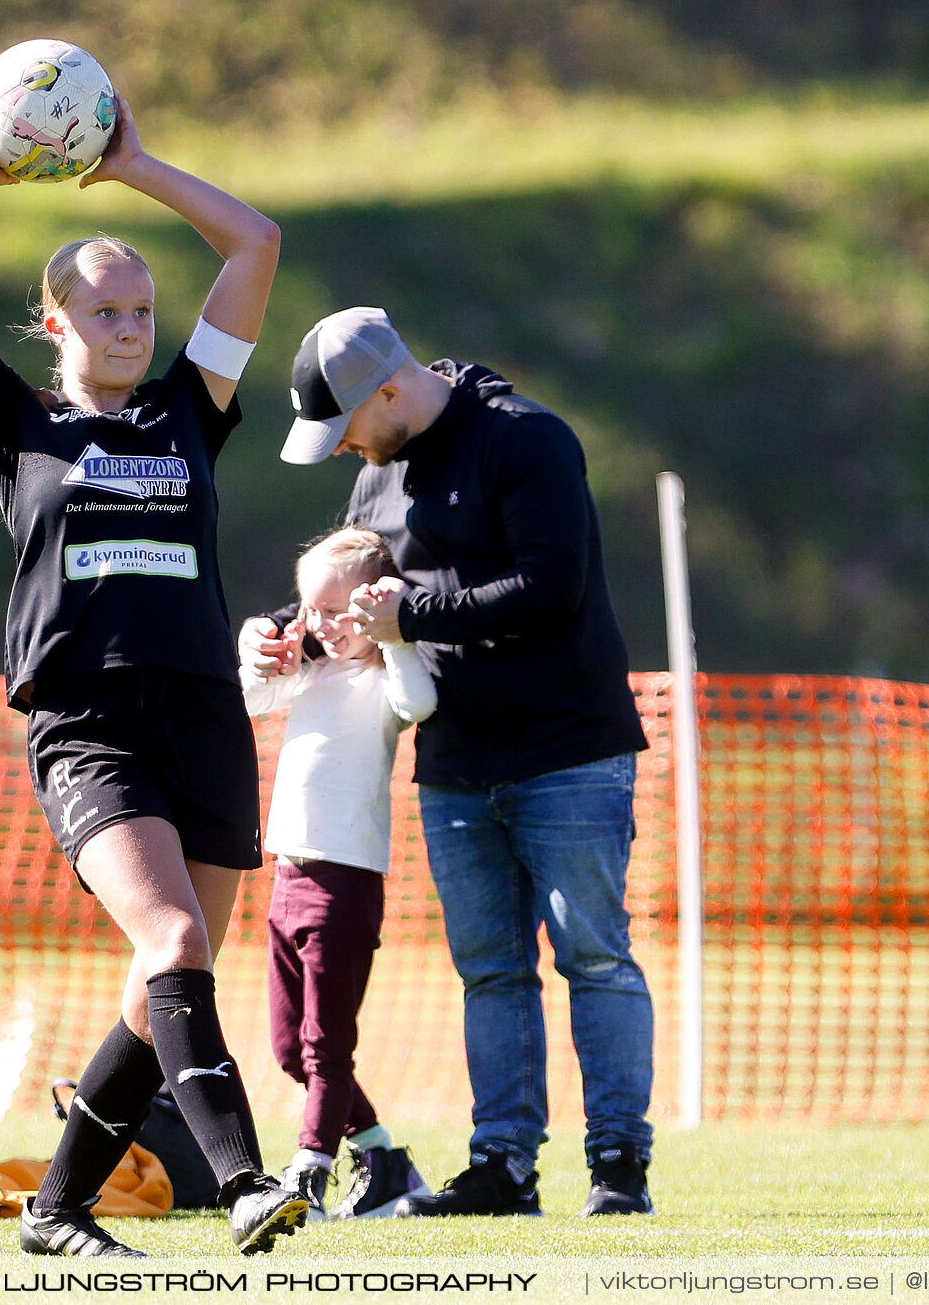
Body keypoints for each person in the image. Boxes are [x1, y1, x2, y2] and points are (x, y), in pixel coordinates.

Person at [0, 87, 303, 1257]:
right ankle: (242, 1178)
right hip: (89, 722)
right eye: (104, 311)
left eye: (142, 307)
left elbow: (256, 242)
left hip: (204, 715)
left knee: (159, 979)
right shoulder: (15, 425)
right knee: (171, 944)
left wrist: (133, 166)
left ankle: (55, 1208)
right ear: (57, 325)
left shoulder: (190, 408)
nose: (129, 326)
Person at [242, 308, 656, 1216]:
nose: (346, 448)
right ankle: (503, 1168)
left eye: (346, 427)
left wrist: (414, 620)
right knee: (492, 971)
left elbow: (555, 586)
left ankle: (619, 1167)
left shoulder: (528, 440)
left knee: (594, 956)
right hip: (457, 760)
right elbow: (351, 593)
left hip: (568, 749)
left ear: (388, 391)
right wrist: (290, 634)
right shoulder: (379, 476)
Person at [240, 528, 436, 1219]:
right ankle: (385, 1161)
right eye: (310, 609)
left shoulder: (385, 676)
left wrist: (397, 631)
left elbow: (420, 705)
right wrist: (257, 643)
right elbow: (249, 697)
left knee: (327, 1047)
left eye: (336, 609)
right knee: (291, 1048)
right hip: (288, 877)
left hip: (344, 883)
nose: (321, 624)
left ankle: (308, 1170)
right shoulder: (313, 670)